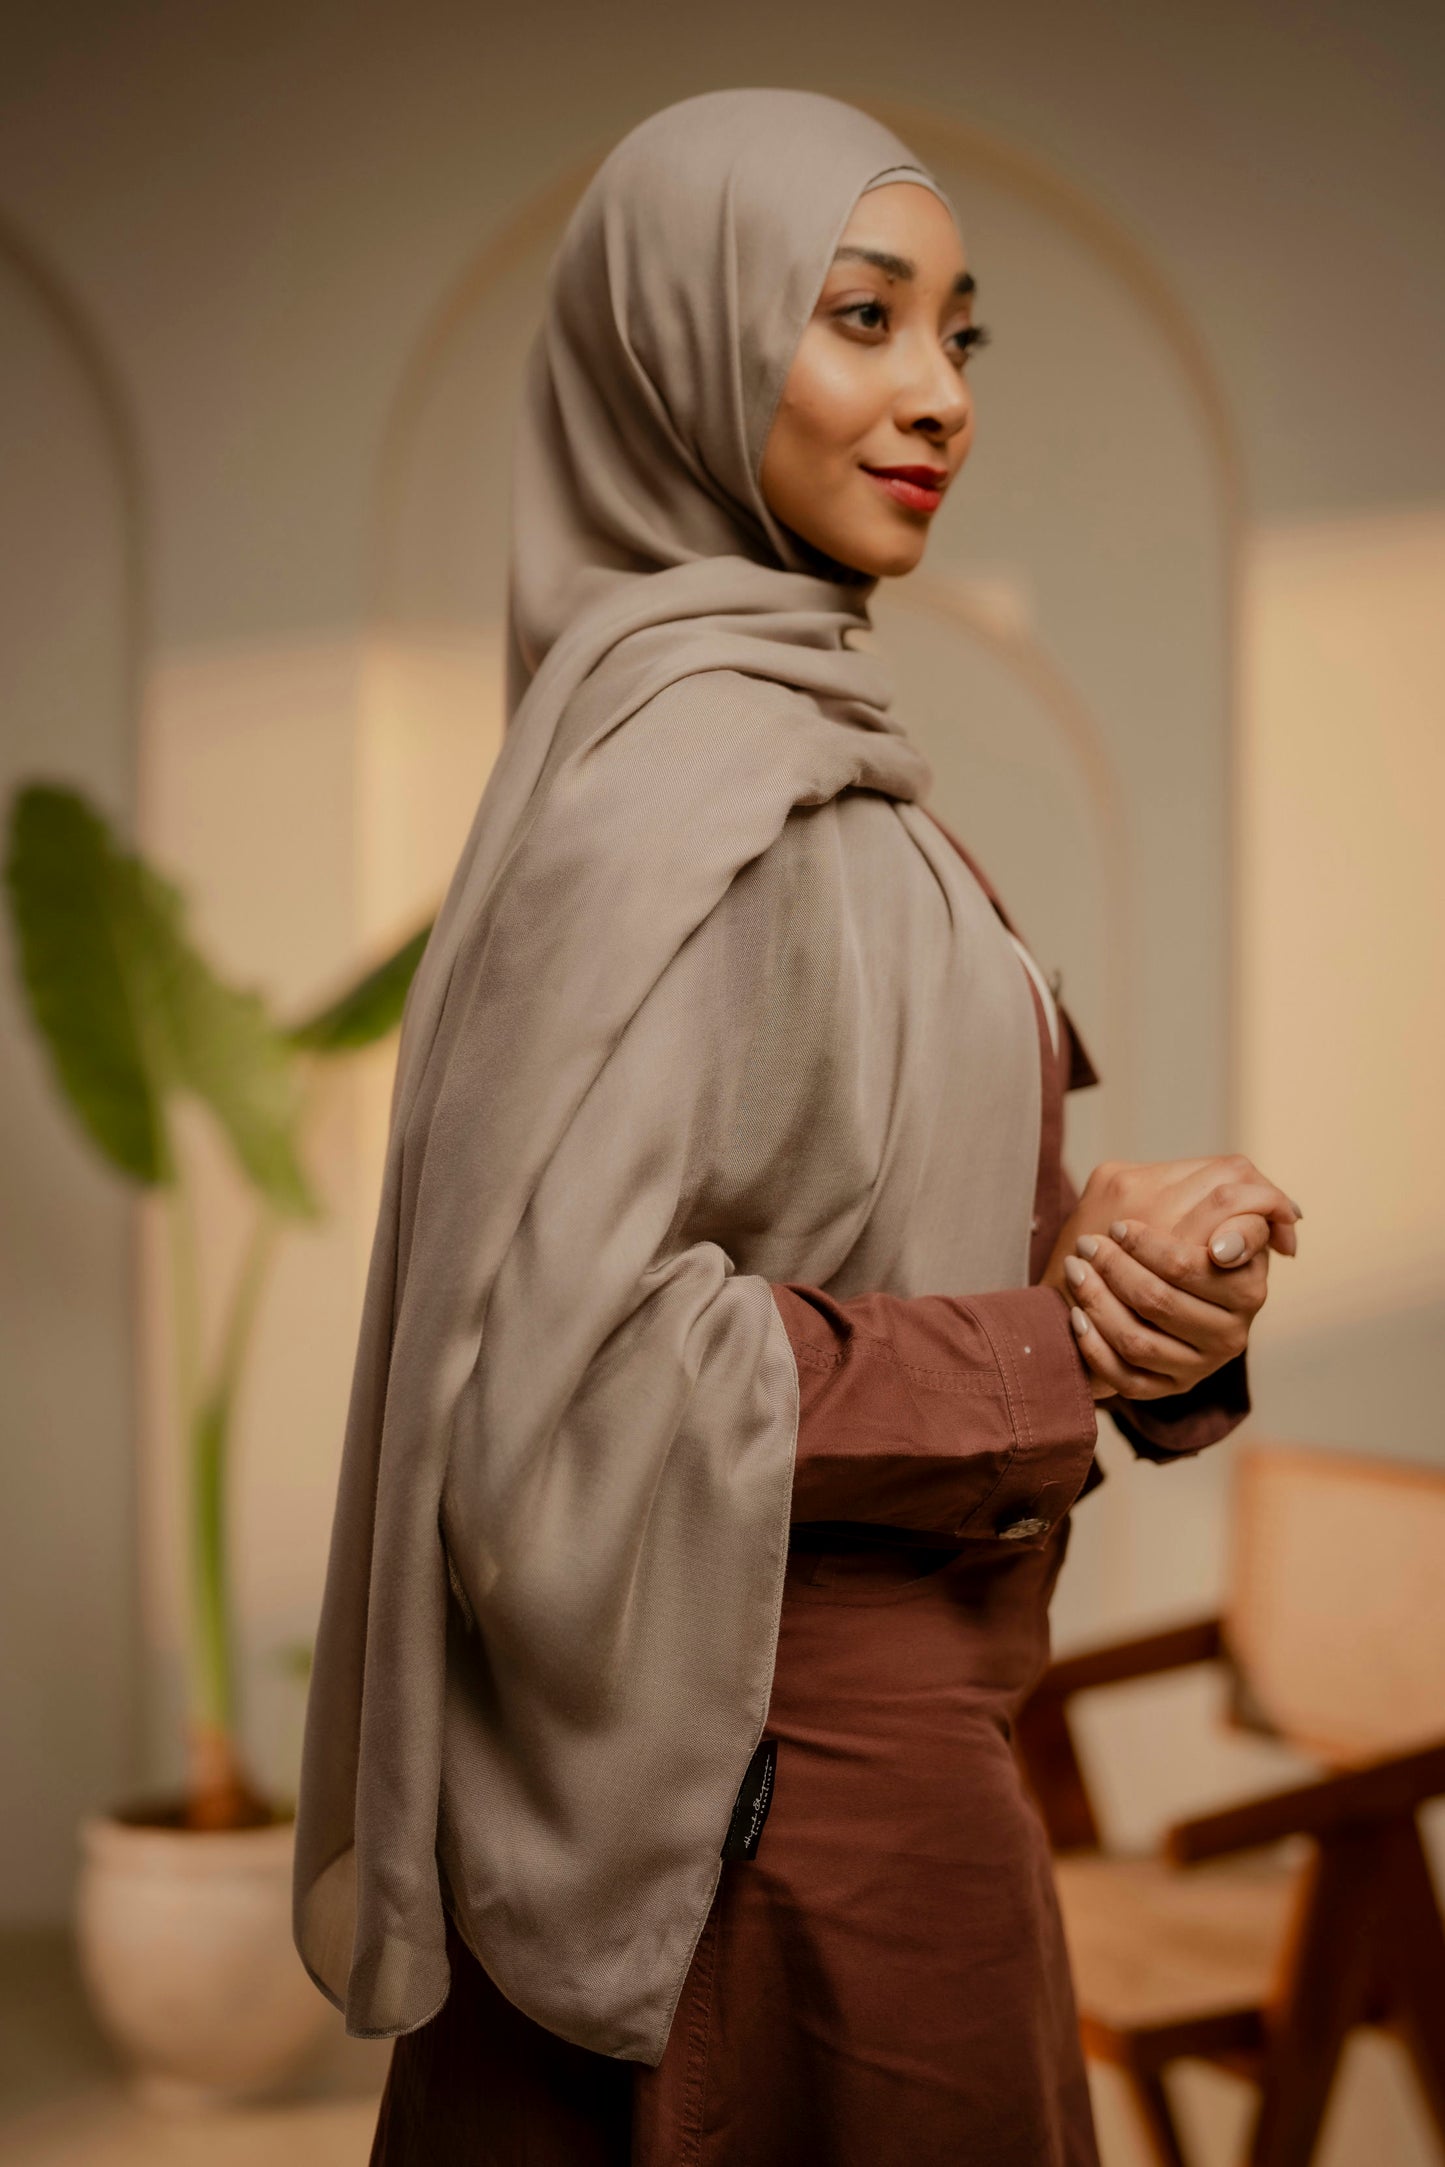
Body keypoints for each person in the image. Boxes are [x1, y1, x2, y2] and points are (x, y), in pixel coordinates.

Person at [293, 87, 1300, 2167]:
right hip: (750, 1808)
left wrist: (1135, 1278)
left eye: (960, 332)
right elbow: (561, 1387)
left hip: (879, 1761)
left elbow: (889, 1265)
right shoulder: (668, 790)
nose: (935, 392)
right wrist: (1052, 1347)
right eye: (861, 317)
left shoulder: (836, 767)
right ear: (679, 341)